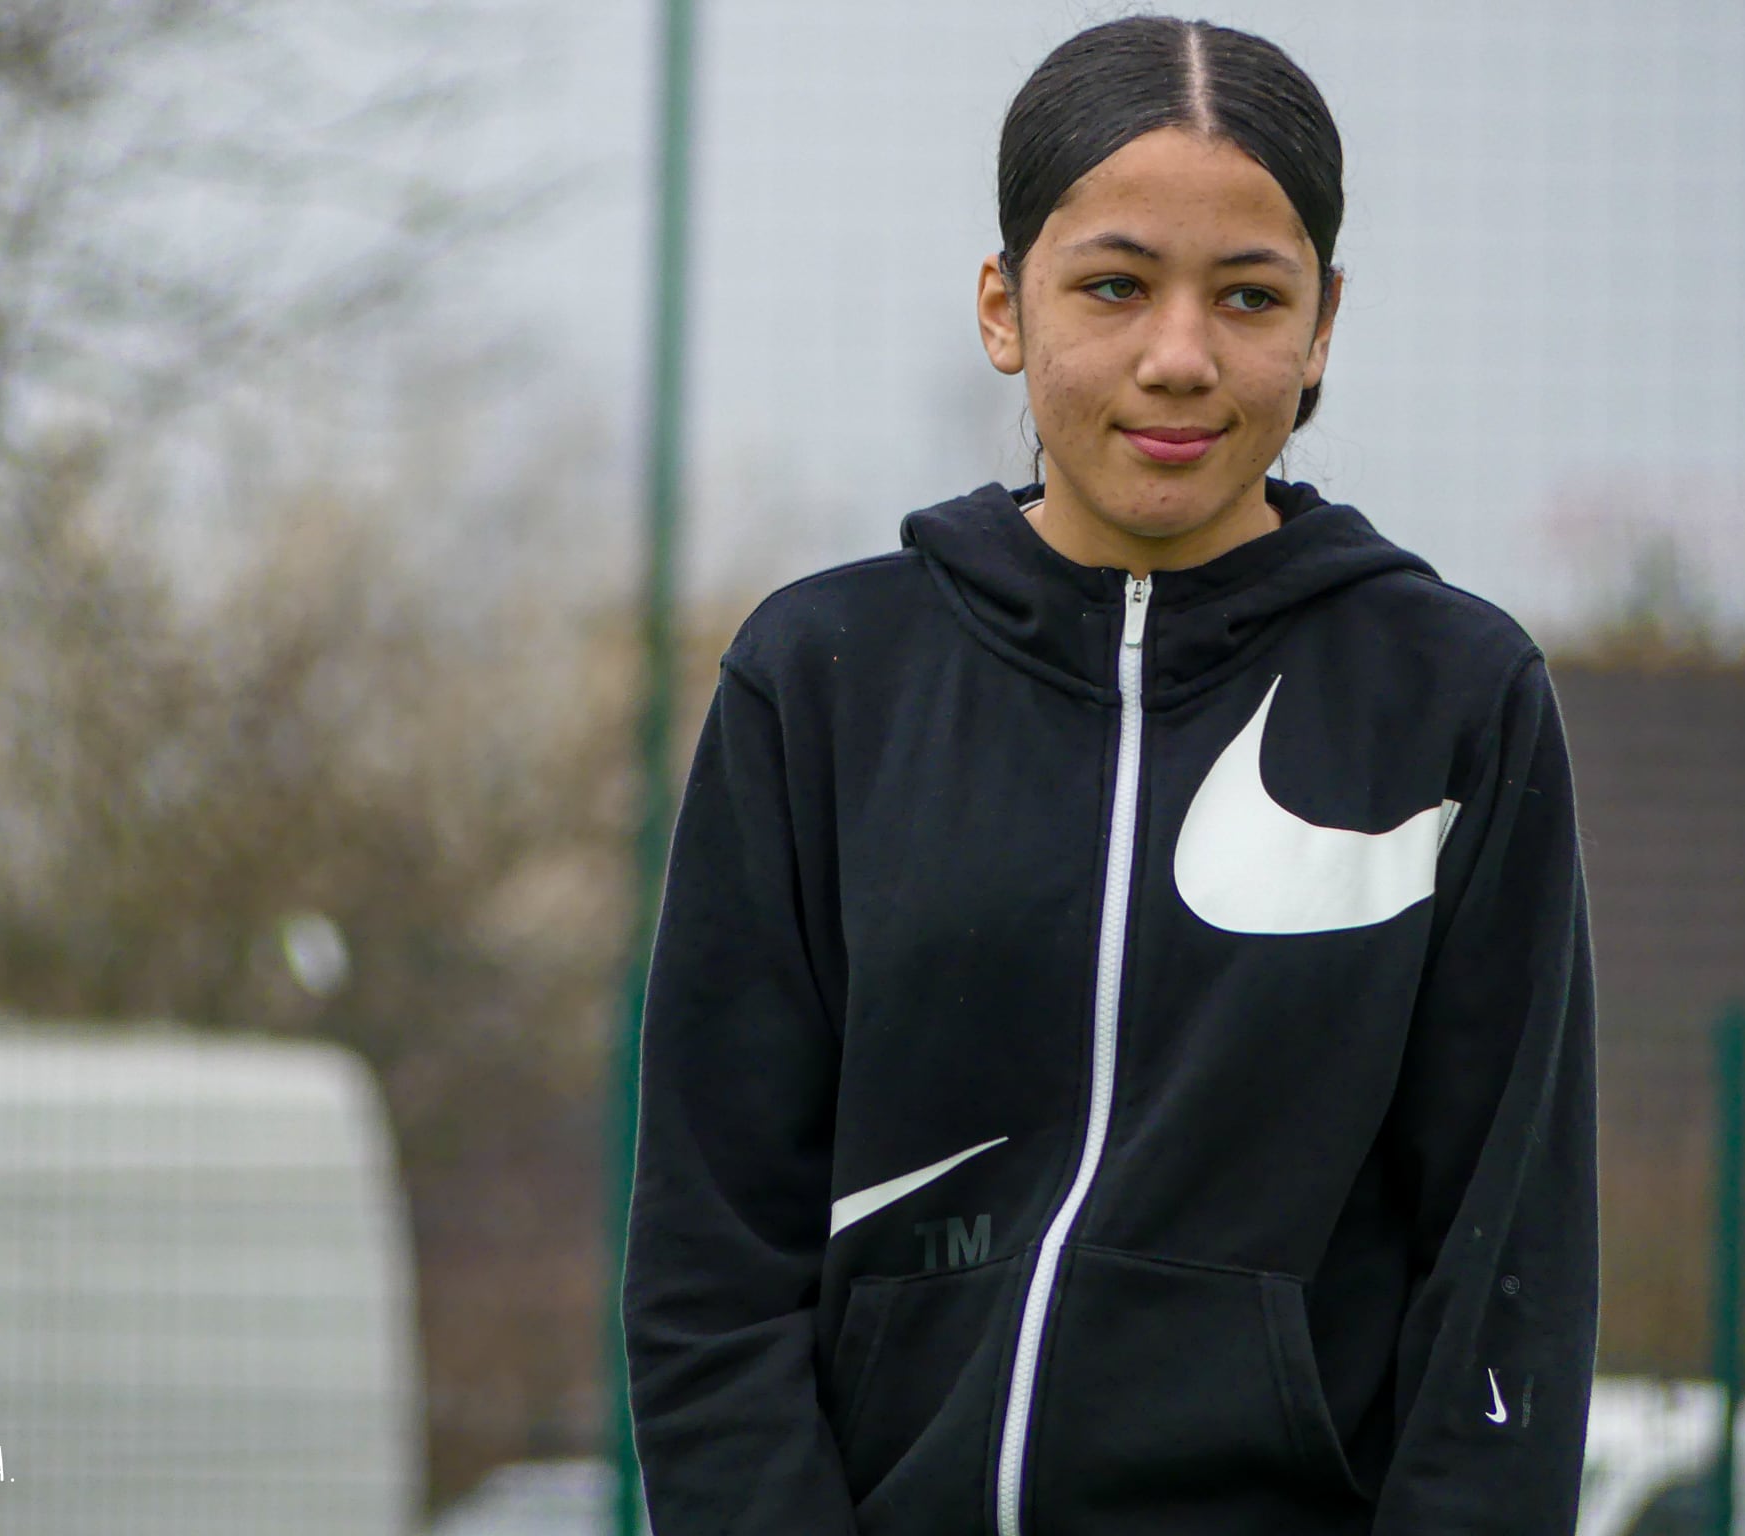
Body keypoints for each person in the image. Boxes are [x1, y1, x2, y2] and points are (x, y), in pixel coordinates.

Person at [622, 15, 1599, 1536]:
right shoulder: (819, 682)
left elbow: (1506, 1276)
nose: (1180, 357)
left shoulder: (1455, 702)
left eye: (1250, 296)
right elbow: (713, 1258)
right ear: (1004, 305)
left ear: (1323, 326)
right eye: (1116, 285)